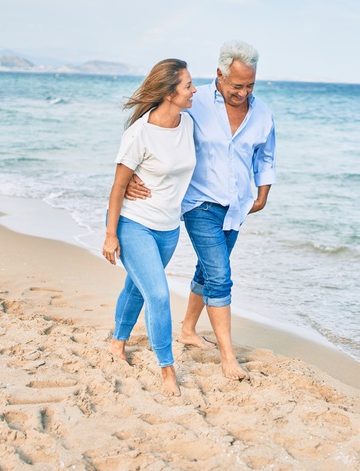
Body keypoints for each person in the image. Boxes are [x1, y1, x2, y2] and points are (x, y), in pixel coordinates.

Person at [126, 40, 277, 380]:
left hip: (236, 207)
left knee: (207, 271)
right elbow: (155, 129)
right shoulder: (195, 103)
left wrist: (263, 192)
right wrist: (133, 171)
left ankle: (188, 330)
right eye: (237, 85)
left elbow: (266, 156)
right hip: (199, 203)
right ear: (220, 75)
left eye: (250, 85)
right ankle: (228, 358)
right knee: (220, 277)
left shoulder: (263, 113)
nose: (243, 92)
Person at [103, 58, 197, 396]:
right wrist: (111, 235)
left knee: (137, 286)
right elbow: (118, 186)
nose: (193, 90)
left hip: (169, 228)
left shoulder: (188, 124)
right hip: (134, 224)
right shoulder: (139, 133)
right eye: (188, 85)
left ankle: (118, 342)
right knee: (157, 293)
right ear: (170, 92)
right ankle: (167, 369)